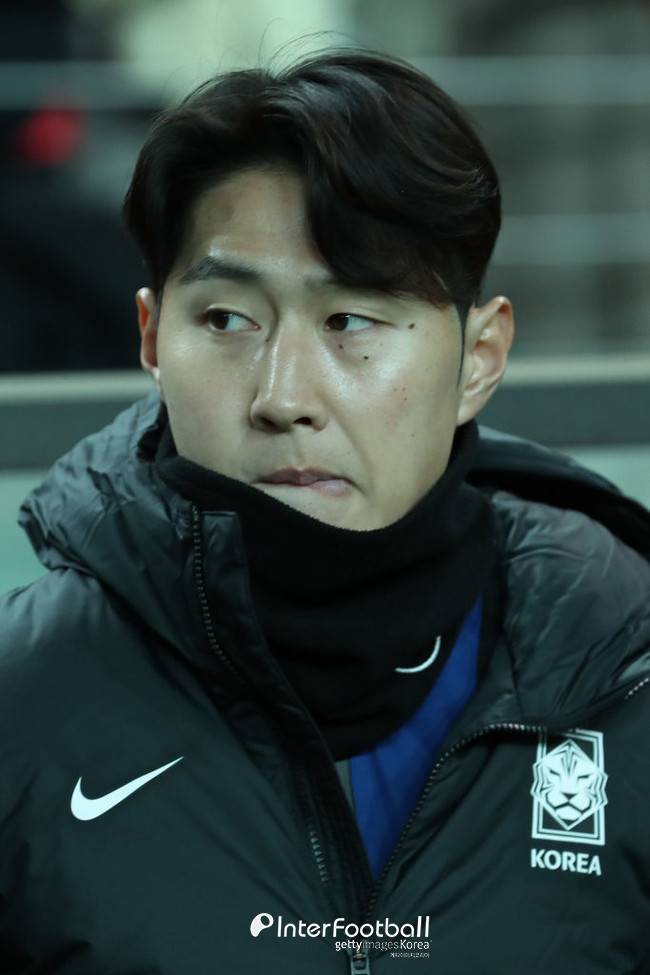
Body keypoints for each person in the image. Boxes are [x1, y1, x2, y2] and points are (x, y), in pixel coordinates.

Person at [1, 48, 649, 975]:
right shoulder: (26, 700)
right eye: (226, 320)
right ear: (151, 339)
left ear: (479, 359)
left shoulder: (622, 673)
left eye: (351, 321)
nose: (282, 396)